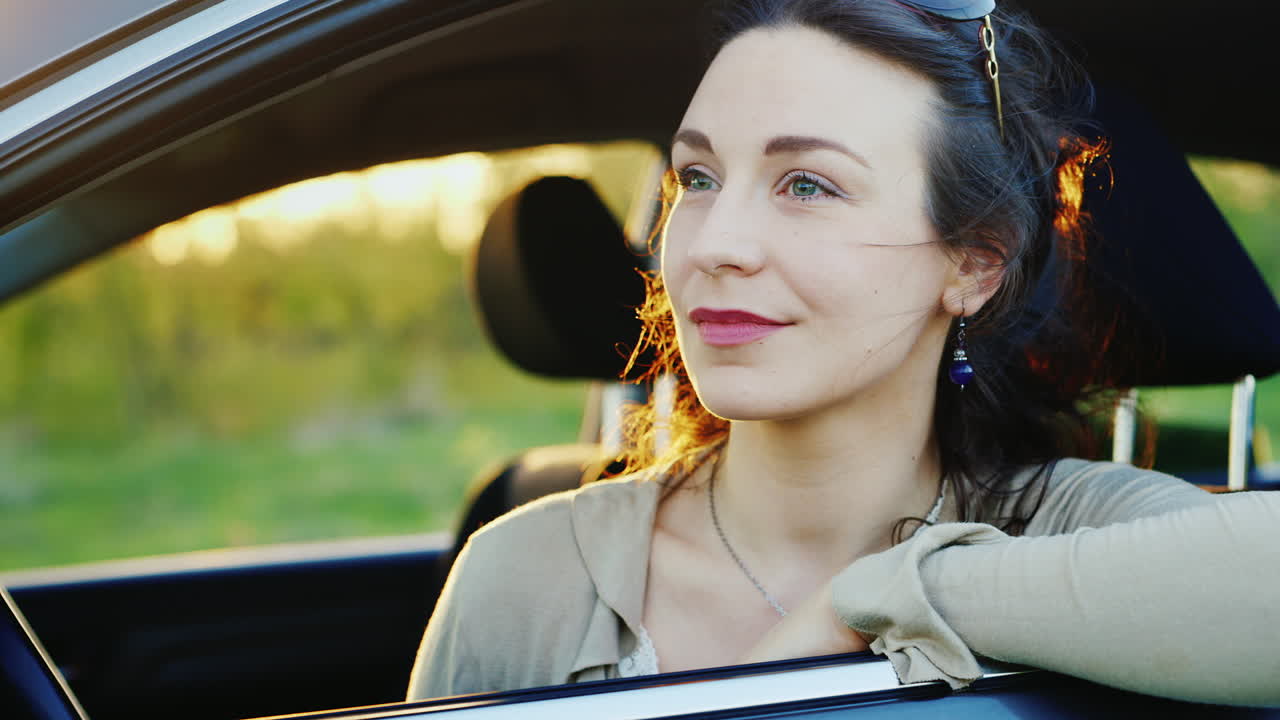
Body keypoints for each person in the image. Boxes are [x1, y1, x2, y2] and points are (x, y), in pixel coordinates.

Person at [407, 0, 1279, 706]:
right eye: (698, 179)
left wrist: (881, 597)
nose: (715, 243)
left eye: (807, 185)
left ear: (972, 263)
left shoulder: (1068, 528)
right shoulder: (524, 577)